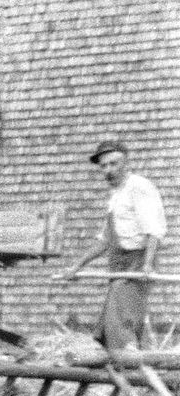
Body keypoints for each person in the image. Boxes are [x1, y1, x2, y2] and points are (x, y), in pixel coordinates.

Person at [63, 140, 168, 349]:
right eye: (104, 166)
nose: (108, 170)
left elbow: (154, 230)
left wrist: (147, 266)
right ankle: (130, 362)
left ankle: (129, 365)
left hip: (138, 262)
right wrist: (78, 265)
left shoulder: (139, 187)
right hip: (119, 265)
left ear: (126, 163)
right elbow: (105, 240)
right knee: (115, 319)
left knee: (120, 320)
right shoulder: (116, 195)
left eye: (114, 164)